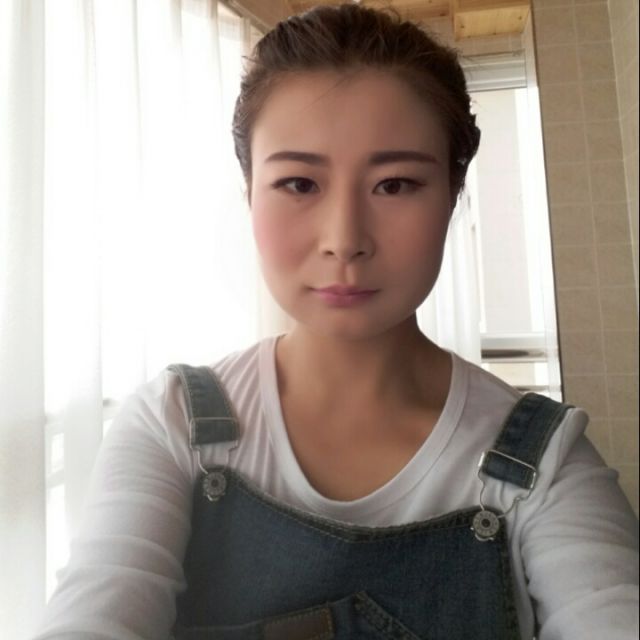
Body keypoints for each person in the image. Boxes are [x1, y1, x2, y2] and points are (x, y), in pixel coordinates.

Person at [33, 4, 638, 640]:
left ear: (453, 195)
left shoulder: (546, 463)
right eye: (299, 183)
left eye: (395, 184)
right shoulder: (173, 426)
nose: (344, 239)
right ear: (248, 193)